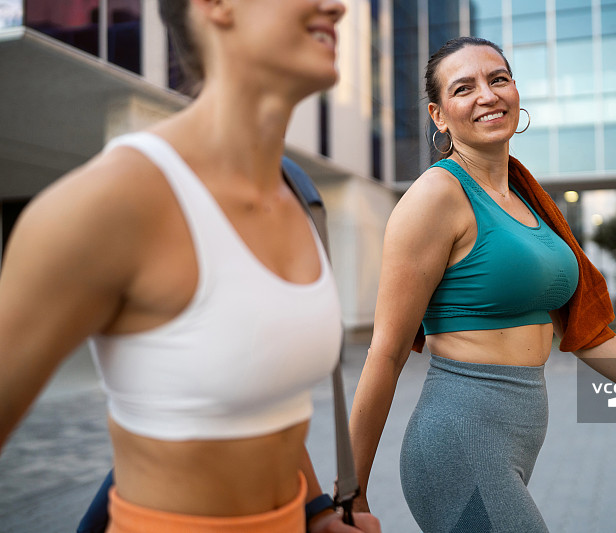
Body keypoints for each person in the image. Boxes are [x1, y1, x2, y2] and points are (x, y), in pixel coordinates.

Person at [0, 1, 380, 532]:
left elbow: (268, 399)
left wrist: (316, 514)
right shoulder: (111, 203)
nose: (336, 7)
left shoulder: (298, 196)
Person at [348, 36, 616, 533]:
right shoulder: (436, 196)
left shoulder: (527, 200)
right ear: (439, 115)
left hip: (510, 448)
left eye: (498, 80)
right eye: (464, 88)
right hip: (457, 448)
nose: (487, 95)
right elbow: (385, 353)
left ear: (516, 90)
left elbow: (589, 335)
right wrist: (351, 494)